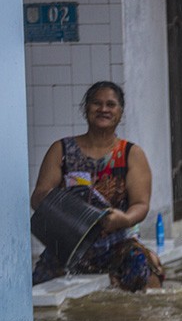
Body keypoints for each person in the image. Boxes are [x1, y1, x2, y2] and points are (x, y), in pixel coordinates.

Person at [31, 81, 164, 292]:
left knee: (145, 272)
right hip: (69, 245)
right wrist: (68, 212)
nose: (103, 109)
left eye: (110, 104)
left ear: (120, 112)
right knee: (38, 290)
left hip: (118, 244)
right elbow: (38, 197)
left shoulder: (131, 154)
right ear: (86, 108)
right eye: (96, 103)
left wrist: (124, 219)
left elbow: (140, 204)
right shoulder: (61, 150)